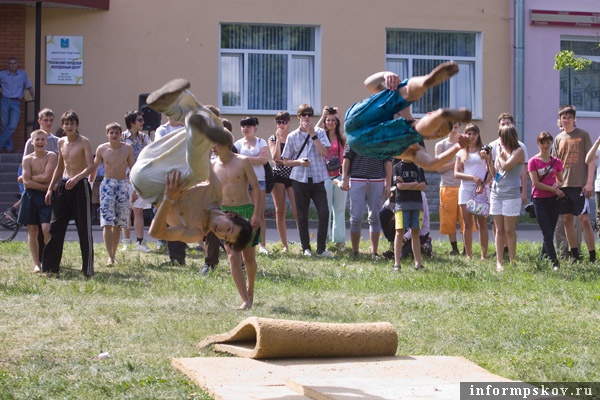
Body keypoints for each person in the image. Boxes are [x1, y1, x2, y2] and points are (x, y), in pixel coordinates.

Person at [129, 78, 253, 255]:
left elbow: (156, 232)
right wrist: (212, 141)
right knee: (215, 124)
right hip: (152, 160)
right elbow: (202, 158)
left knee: (201, 172)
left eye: (225, 238)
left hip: (149, 185)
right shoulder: (216, 191)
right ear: (232, 217)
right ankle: (174, 106)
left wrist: (168, 199)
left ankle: (194, 123)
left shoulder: (195, 232)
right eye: (229, 230)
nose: (222, 233)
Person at [344, 62, 471, 170]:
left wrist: (457, 147)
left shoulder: (414, 147)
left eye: (437, 136)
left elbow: (432, 164)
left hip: (364, 141)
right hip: (358, 120)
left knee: (412, 125)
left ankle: (440, 113)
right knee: (403, 94)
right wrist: (385, 74)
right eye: (436, 130)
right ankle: (427, 80)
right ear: (428, 114)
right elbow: (369, 84)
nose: (433, 135)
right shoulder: (403, 114)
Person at [42, 110, 95, 278]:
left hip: (80, 186)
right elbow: (59, 166)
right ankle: (50, 269)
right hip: (64, 186)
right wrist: (51, 188)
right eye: (66, 123)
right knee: (55, 227)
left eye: (72, 123)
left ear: (76, 125)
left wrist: (78, 178)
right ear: (63, 126)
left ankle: (87, 269)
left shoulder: (84, 142)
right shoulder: (61, 142)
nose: (69, 126)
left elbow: (91, 166)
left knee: (83, 228)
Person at [212, 137, 261, 309]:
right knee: (233, 256)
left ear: (226, 144)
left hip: (245, 211)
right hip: (225, 216)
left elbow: (256, 187)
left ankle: (251, 289)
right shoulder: (213, 165)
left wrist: (256, 214)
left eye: (215, 143)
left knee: (248, 257)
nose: (212, 147)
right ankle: (245, 300)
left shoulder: (243, 161)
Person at [281, 104, 332, 257]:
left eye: (309, 114)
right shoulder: (292, 136)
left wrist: (313, 134)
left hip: (317, 179)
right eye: (304, 114)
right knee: (302, 215)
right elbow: (285, 161)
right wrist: (299, 162)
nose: (307, 117)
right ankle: (306, 248)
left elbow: (324, 153)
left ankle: (321, 248)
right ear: (299, 117)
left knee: (324, 213)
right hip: (299, 179)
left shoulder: (321, 133)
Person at [552, 105, 596, 262]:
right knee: (566, 220)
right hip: (564, 185)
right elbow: (555, 163)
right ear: (560, 119)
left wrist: (589, 182)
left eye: (570, 116)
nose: (567, 119)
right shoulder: (558, 139)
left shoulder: (583, 135)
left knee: (584, 219)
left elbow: (591, 160)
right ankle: (575, 255)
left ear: (574, 119)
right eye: (564, 117)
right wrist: (556, 183)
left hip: (579, 184)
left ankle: (592, 256)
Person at [90, 123, 134, 266]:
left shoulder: (127, 149)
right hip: (107, 185)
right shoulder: (102, 149)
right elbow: (94, 168)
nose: (114, 135)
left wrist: (135, 188)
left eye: (116, 132)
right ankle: (110, 255)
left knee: (118, 222)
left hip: (122, 184)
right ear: (107, 134)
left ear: (120, 134)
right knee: (107, 222)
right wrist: (89, 185)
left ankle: (114, 254)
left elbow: (133, 169)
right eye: (111, 132)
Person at [340, 143, 391, 259]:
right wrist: (344, 179)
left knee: (375, 217)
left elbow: (388, 160)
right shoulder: (355, 135)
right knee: (356, 218)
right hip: (357, 179)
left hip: (377, 180)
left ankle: (374, 253)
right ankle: (355, 252)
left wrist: (388, 184)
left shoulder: (381, 137)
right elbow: (346, 157)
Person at [489, 112, 529, 259]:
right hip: (496, 193)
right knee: (498, 229)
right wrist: (488, 160)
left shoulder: (518, 150)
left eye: (503, 137)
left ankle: (512, 260)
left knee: (509, 230)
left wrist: (498, 154)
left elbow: (505, 166)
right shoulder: (501, 151)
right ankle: (499, 261)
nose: (501, 140)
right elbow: (496, 174)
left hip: (511, 195)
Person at [18, 130, 57, 272]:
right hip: (30, 196)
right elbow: (26, 184)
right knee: (32, 230)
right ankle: (36, 264)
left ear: (46, 142)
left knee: (47, 229)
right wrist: (43, 185)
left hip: (46, 196)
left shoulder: (51, 156)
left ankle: (48, 259)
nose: (40, 142)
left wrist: (29, 178)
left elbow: (48, 176)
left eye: (42, 139)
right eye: (37, 140)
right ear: (32, 142)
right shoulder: (27, 159)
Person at [454, 123, 492, 261]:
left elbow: (491, 171)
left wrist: (482, 183)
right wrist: (472, 178)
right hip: (466, 188)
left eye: (474, 133)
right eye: (469, 133)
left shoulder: (483, 150)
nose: (471, 136)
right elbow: (456, 173)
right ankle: (468, 254)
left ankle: (483, 256)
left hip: (481, 188)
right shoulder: (461, 151)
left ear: (478, 135)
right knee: (467, 223)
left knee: (482, 222)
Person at [529, 131, 565, 271]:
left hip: (553, 201)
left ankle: (542, 258)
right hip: (539, 200)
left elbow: (561, 180)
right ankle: (555, 262)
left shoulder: (556, 161)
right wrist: (554, 189)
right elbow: (536, 183)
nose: (545, 145)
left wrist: (558, 185)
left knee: (549, 231)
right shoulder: (533, 161)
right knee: (547, 233)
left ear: (551, 144)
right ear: (538, 144)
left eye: (548, 143)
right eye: (542, 143)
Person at [234, 116, 269, 255]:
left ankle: (262, 244)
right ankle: (243, 242)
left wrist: (244, 159)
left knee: (259, 214)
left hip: (259, 180)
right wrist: (254, 159)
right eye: (243, 126)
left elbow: (264, 160)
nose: (245, 128)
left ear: (255, 127)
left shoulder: (261, 142)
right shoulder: (237, 143)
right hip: (243, 181)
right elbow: (234, 159)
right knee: (243, 214)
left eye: (248, 126)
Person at [120, 111, 153, 253]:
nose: (143, 122)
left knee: (138, 210)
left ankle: (140, 241)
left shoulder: (145, 138)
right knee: (125, 210)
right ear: (132, 122)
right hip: (124, 177)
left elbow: (151, 153)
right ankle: (126, 242)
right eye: (140, 120)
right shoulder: (121, 137)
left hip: (140, 177)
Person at [317, 106, 348, 251]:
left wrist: (338, 115)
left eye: (333, 120)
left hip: (339, 175)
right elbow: (312, 133)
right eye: (328, 120)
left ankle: (340, 240)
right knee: (326, 209)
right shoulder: (321, 135)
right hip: (325, 176)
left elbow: (349, 132)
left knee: (340, 209)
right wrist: (323, 116)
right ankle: (326, 238)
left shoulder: (341, 137)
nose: (330, 122)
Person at [268, 111, 299, 253]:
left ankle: (303, 243)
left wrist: (287, 161)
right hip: (279, 175)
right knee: (280, 211)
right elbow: (276, 158)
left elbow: (295, 157)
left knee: (297, 210)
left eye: (284, 122)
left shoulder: (294, 136)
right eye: (279, 122)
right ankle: (285, 245)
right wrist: (279, 141)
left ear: (289, 122)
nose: (281, 124)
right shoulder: (273, 138)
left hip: (293, 175)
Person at [435, 122, 465, 255]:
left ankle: (466, 248)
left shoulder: (464, 143)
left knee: (465, 219)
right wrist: (456, 163)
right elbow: (439, 168)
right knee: (449, 219)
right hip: (447, 185)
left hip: (464, 186)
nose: (454, 129)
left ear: (460, 127)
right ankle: (454, 248)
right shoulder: (441, 145)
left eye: (456, 126)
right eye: (451, 126)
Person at [392, 158, 426, 271]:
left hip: (416, 204)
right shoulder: (396, 168)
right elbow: (399, 186)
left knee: (415, 232)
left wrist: (406, 184)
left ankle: (418, 263)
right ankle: (397, 263)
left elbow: (422, 186)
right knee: (399, 231)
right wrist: (415, 184)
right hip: (401, 204)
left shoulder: (418, 167)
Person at [0, 57, 34, 153]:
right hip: (5, 100)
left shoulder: (22, 74)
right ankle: (9, 148)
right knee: (4, 125)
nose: (13, 65)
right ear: (8, 65)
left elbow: (29, 87)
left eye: (14, 63)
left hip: (16, 102)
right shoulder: (2, 74)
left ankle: (1, 144)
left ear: (17, 64)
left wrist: (34, 99)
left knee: (12, 125)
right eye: (10, 63)